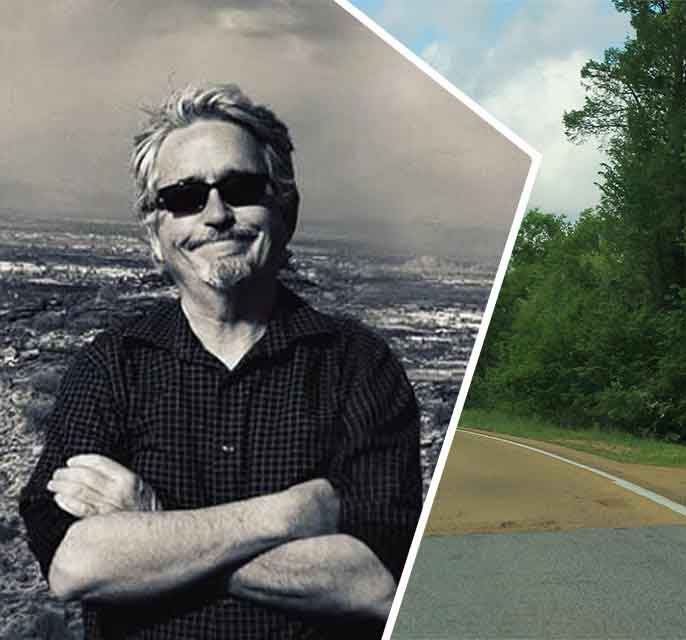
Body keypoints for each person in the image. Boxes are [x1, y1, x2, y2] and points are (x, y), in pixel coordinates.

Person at [18, 83, 423, 639]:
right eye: (184, 197)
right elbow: (76, 564)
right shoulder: (110, 367)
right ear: (156, 237)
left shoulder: (361, 367)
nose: (215, 214)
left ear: (288, 209)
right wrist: (286, 517)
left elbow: (375, 585)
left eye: (241, 187)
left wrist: (150, 527)